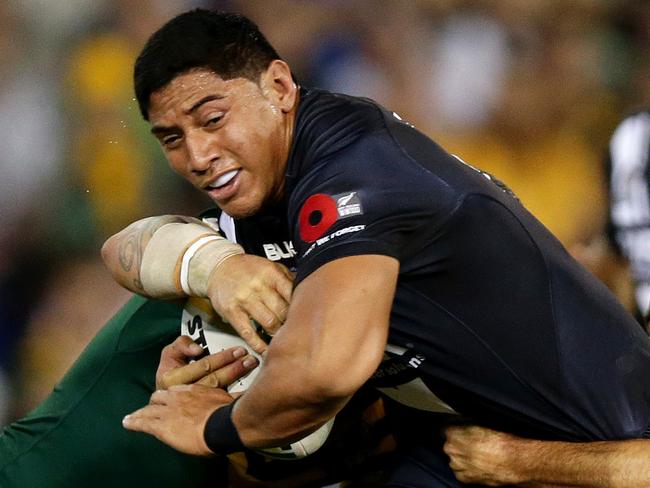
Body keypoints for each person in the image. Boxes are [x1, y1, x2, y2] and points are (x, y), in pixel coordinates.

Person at [103, 9, 650, 487]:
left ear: (278, 87)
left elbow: (326, 369)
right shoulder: (264, 191)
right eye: (172, 139)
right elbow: (125, 248)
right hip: (455, 451)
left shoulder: (357, 171)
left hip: (588, 451)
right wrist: (211, 269)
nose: (198, 155)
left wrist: (213, 425)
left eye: (213, 119)